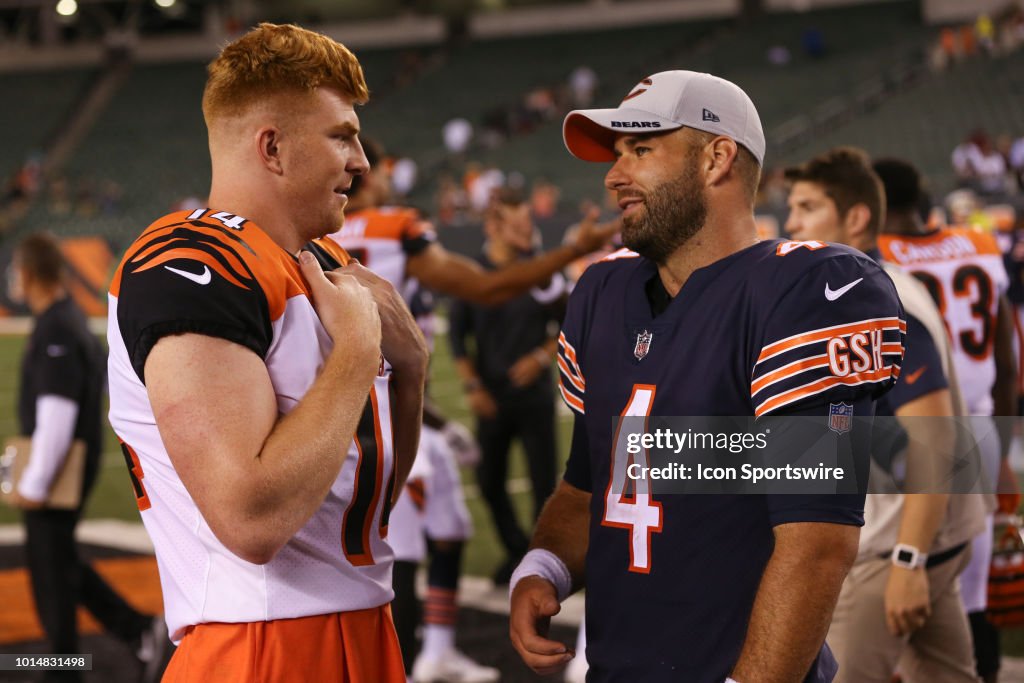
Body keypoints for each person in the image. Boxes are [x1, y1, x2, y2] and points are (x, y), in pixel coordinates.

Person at [508, 70, 905, 682]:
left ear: (717, 158)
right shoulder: (602, 292)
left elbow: (817, 544)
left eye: (641, 150)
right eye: (618, 155)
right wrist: (546, 565)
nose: (614, 177)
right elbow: (590, 483)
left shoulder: (806, 294)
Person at [107, 23, 429, 683]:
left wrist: (413, 371)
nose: (362, 162)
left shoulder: (326, 264)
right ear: (273, 148)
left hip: (362, 629)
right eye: (342, 136)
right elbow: (251, 520)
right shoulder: (192, 261)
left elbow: (359, 500)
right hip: (258, 647)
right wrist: (359, 351)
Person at [329, 138, 612, 682]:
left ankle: (435, 649)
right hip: (382, 418)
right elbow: (487, 287)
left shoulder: (313, 234)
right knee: (400, 552)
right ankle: (402, 671)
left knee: (451, 524)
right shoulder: (395, 226)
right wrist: (575, 249)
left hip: (359, 406)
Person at [785, 148, 985, 682]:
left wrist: (906, 560)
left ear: (855, 217)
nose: (791, 223)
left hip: (893, 548)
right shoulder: (878, 283)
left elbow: (934, 440)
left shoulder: (871, 296)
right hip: (929, 537)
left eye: (807, 207)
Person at [875, 158, 1018, 683]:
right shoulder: (978, 245)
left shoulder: (877, 257)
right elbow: (1006, 357)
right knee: (969, 592)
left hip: (913, 430)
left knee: (893, 580)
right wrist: (1000, 444)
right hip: (979, 426)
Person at [8, 233, 169, 683]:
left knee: (51, 576)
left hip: (60, 473)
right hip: (68, 466)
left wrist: (34, 485)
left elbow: (57, 414)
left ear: (28, 273)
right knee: (61, 563)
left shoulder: (57, 326)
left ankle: (63, 669)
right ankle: (138, 630)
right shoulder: (65, 319)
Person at [449, 187, 567, 585]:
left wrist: (538, 358)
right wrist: (472, 387)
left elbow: (567, 326)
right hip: (492, 398)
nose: (526, 232)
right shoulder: (473, 273)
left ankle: (539, 565)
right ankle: (518, 550)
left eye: (528, 223)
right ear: (493, 226)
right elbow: (457, 336)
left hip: (534, 397)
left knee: (543, 485)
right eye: (517, 225)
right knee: (488, 481)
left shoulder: (541, 272)